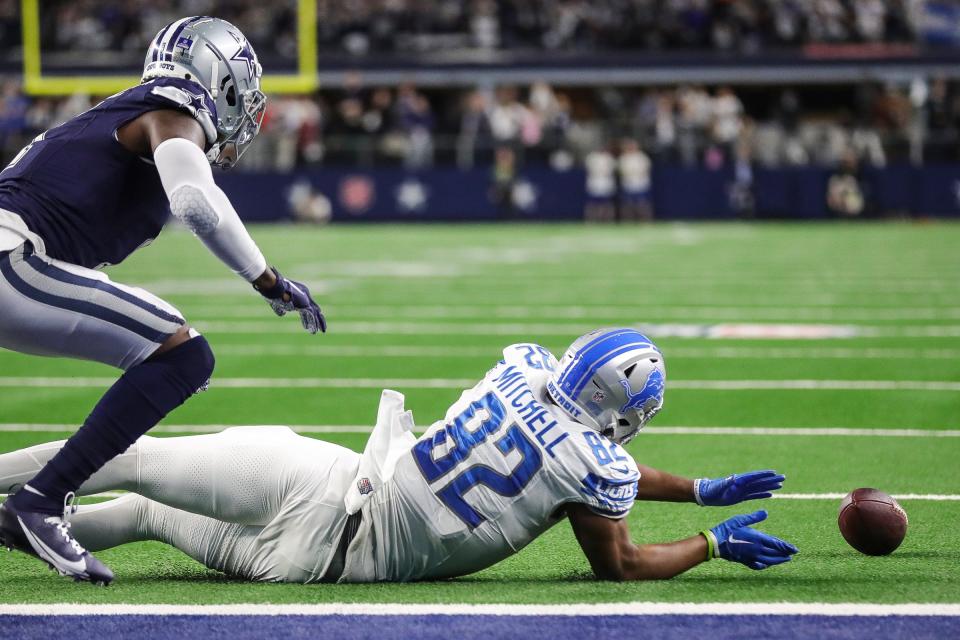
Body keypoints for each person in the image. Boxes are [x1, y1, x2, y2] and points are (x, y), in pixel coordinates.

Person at [0, 329, 796, 583]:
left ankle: (15, 500)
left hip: (328, 482)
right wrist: (710, 539)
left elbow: (571, 457)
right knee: (141, 510)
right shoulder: (599, 468)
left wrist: (697, 490)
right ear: (623, 417)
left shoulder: (521, 363)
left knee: (136, 462)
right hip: (317, 564)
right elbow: (618, 560)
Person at [0, 17, 326, 585]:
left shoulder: (134, 110)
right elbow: (196, 201)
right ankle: (40, 502)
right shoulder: (174, 108)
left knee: (173, 350)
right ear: (219, 81)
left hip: (15, 257)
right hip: (11, 257)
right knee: (181, 353)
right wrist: (268, 280)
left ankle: (37, 501)